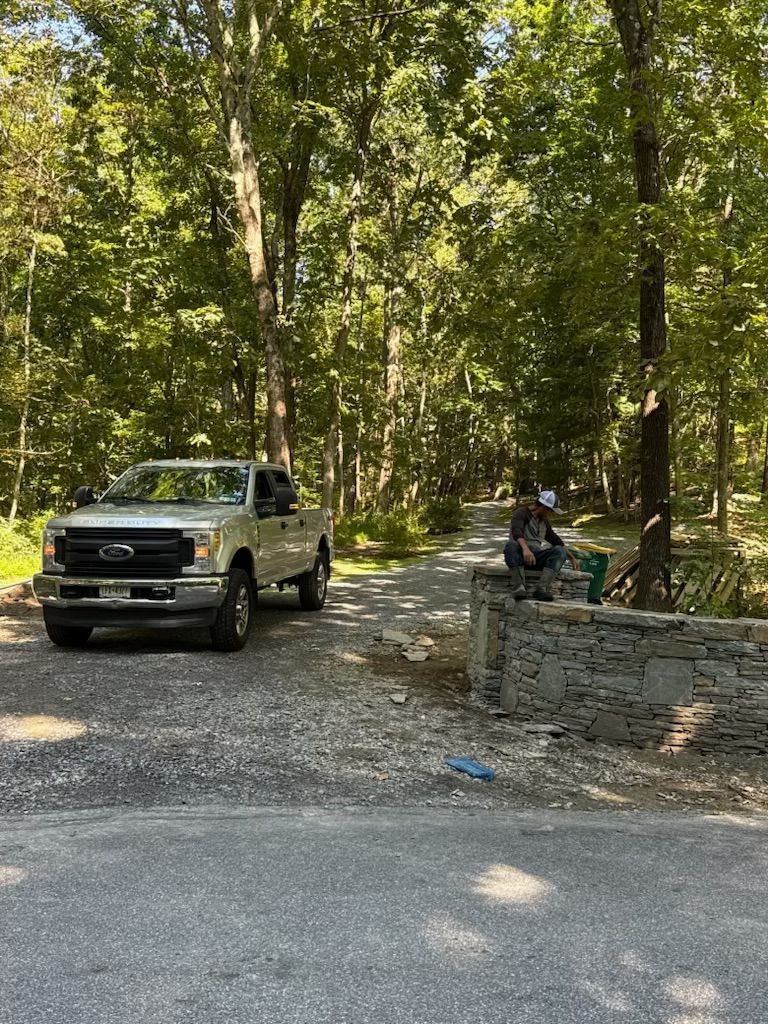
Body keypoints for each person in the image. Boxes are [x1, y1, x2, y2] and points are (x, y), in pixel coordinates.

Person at [504, 490, 580, 602]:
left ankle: (541, 588)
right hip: (519, 556)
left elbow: (556, 540)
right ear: (544, 507)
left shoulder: (544, 522)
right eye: (550, 511)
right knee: (511, 546)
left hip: (535, 558)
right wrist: (525, 549)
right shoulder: (521, 513)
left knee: (559, 551)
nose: (551, 514)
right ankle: (519, 587)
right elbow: (517, 532)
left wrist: (572, 558)